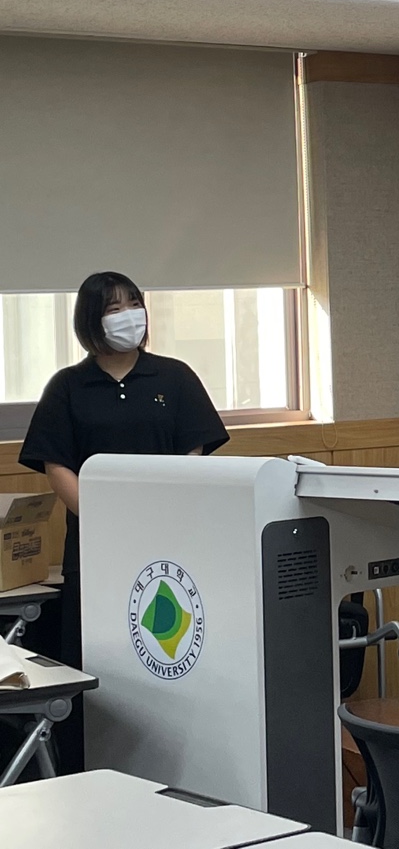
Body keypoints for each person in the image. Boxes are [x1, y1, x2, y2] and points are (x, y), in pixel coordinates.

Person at [19, 271, 228, 773]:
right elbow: (56, 465)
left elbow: (194, 451)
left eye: (134, 303)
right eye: (114, 308)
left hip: (172, 550)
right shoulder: (68, 387)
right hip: (96, 552)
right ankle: (91, 771)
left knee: (169, 655)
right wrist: (106, 521)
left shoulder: (174, 378)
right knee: (99, 664)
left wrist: (162, 512)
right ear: (91, 320)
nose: (129, 315)